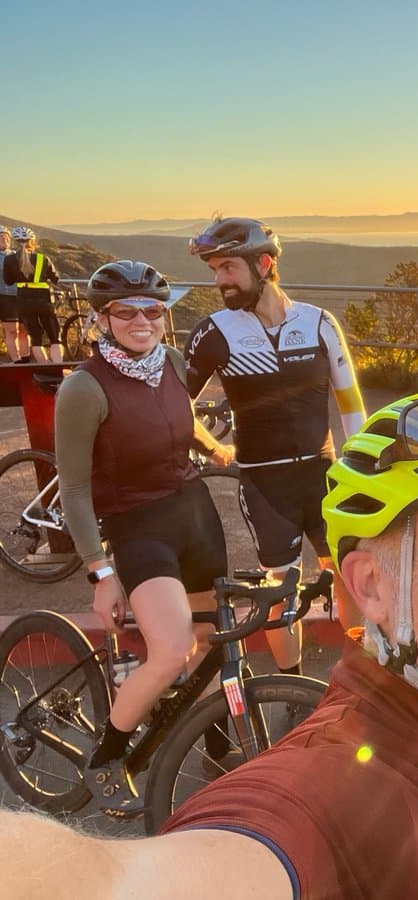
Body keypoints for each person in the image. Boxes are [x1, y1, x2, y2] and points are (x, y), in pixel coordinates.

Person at [1, 386, 418, 900]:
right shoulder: (327, 789)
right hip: (139, 539)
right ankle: (109, 753)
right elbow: (129, 883)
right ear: (370, 586)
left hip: (187, 526)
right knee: (171, 650)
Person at [54, 260, 233, 815]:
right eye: (126, 311)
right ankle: (108, 756)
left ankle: (219, 755)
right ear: (102, 318)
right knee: (173, 649)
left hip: (195, 516)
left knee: (213, 642)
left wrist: (214, 448)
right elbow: (76, 490)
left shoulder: (175, 362)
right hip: (136, 526)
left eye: (153, 309)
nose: (142, 320)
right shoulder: (84, 389)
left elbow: (184, 416)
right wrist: (100, 572)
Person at [185, 216, 366, 666]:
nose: (219, 280)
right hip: (267, 489)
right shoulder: (214, 332)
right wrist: (210, 447)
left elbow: (351, 406)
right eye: (215, 270)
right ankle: (294, 686)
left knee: (350, 577)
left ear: (263, 263)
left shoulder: (319, 323)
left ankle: (363, 675)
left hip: (325, 477)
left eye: (228, 267)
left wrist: (361, 471)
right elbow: (173, 407)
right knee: (281, 594)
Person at [1, 226, 63, 363]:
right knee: (54, 337)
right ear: (32, 241)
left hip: (23, 300)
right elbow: (55, 278)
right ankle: (58, 366)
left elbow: (8, 281)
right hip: (44, 299)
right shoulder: (43, 258)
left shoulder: (10, 260)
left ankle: (44, 366)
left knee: (35, 338)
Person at [0, 225, 31, 363]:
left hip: (22, 296)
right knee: (12, 331)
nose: (3, 239)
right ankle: (16, 361)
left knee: (25, 331)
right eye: (0, 237)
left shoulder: (16, 254)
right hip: (5, 298)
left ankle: (26, 360)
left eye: (6, 237)